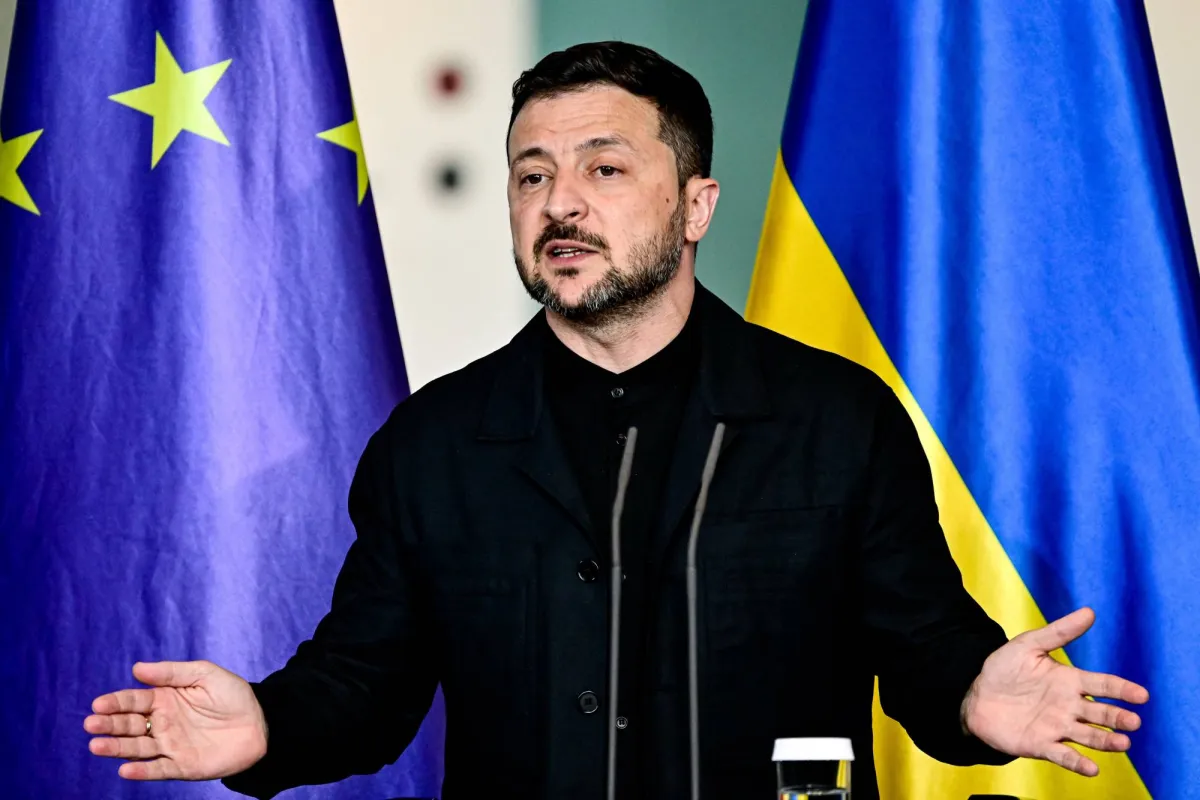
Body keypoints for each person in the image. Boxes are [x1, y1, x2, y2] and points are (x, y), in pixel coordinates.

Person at [84, 41, 1149, 800]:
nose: (560, 203)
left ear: (695, 205)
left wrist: (972, 698)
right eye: (532, 175)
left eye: (604, 168)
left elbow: (925, 648)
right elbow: (363, 685)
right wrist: (267, 725)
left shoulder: (837, 419)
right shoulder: (434, 443)